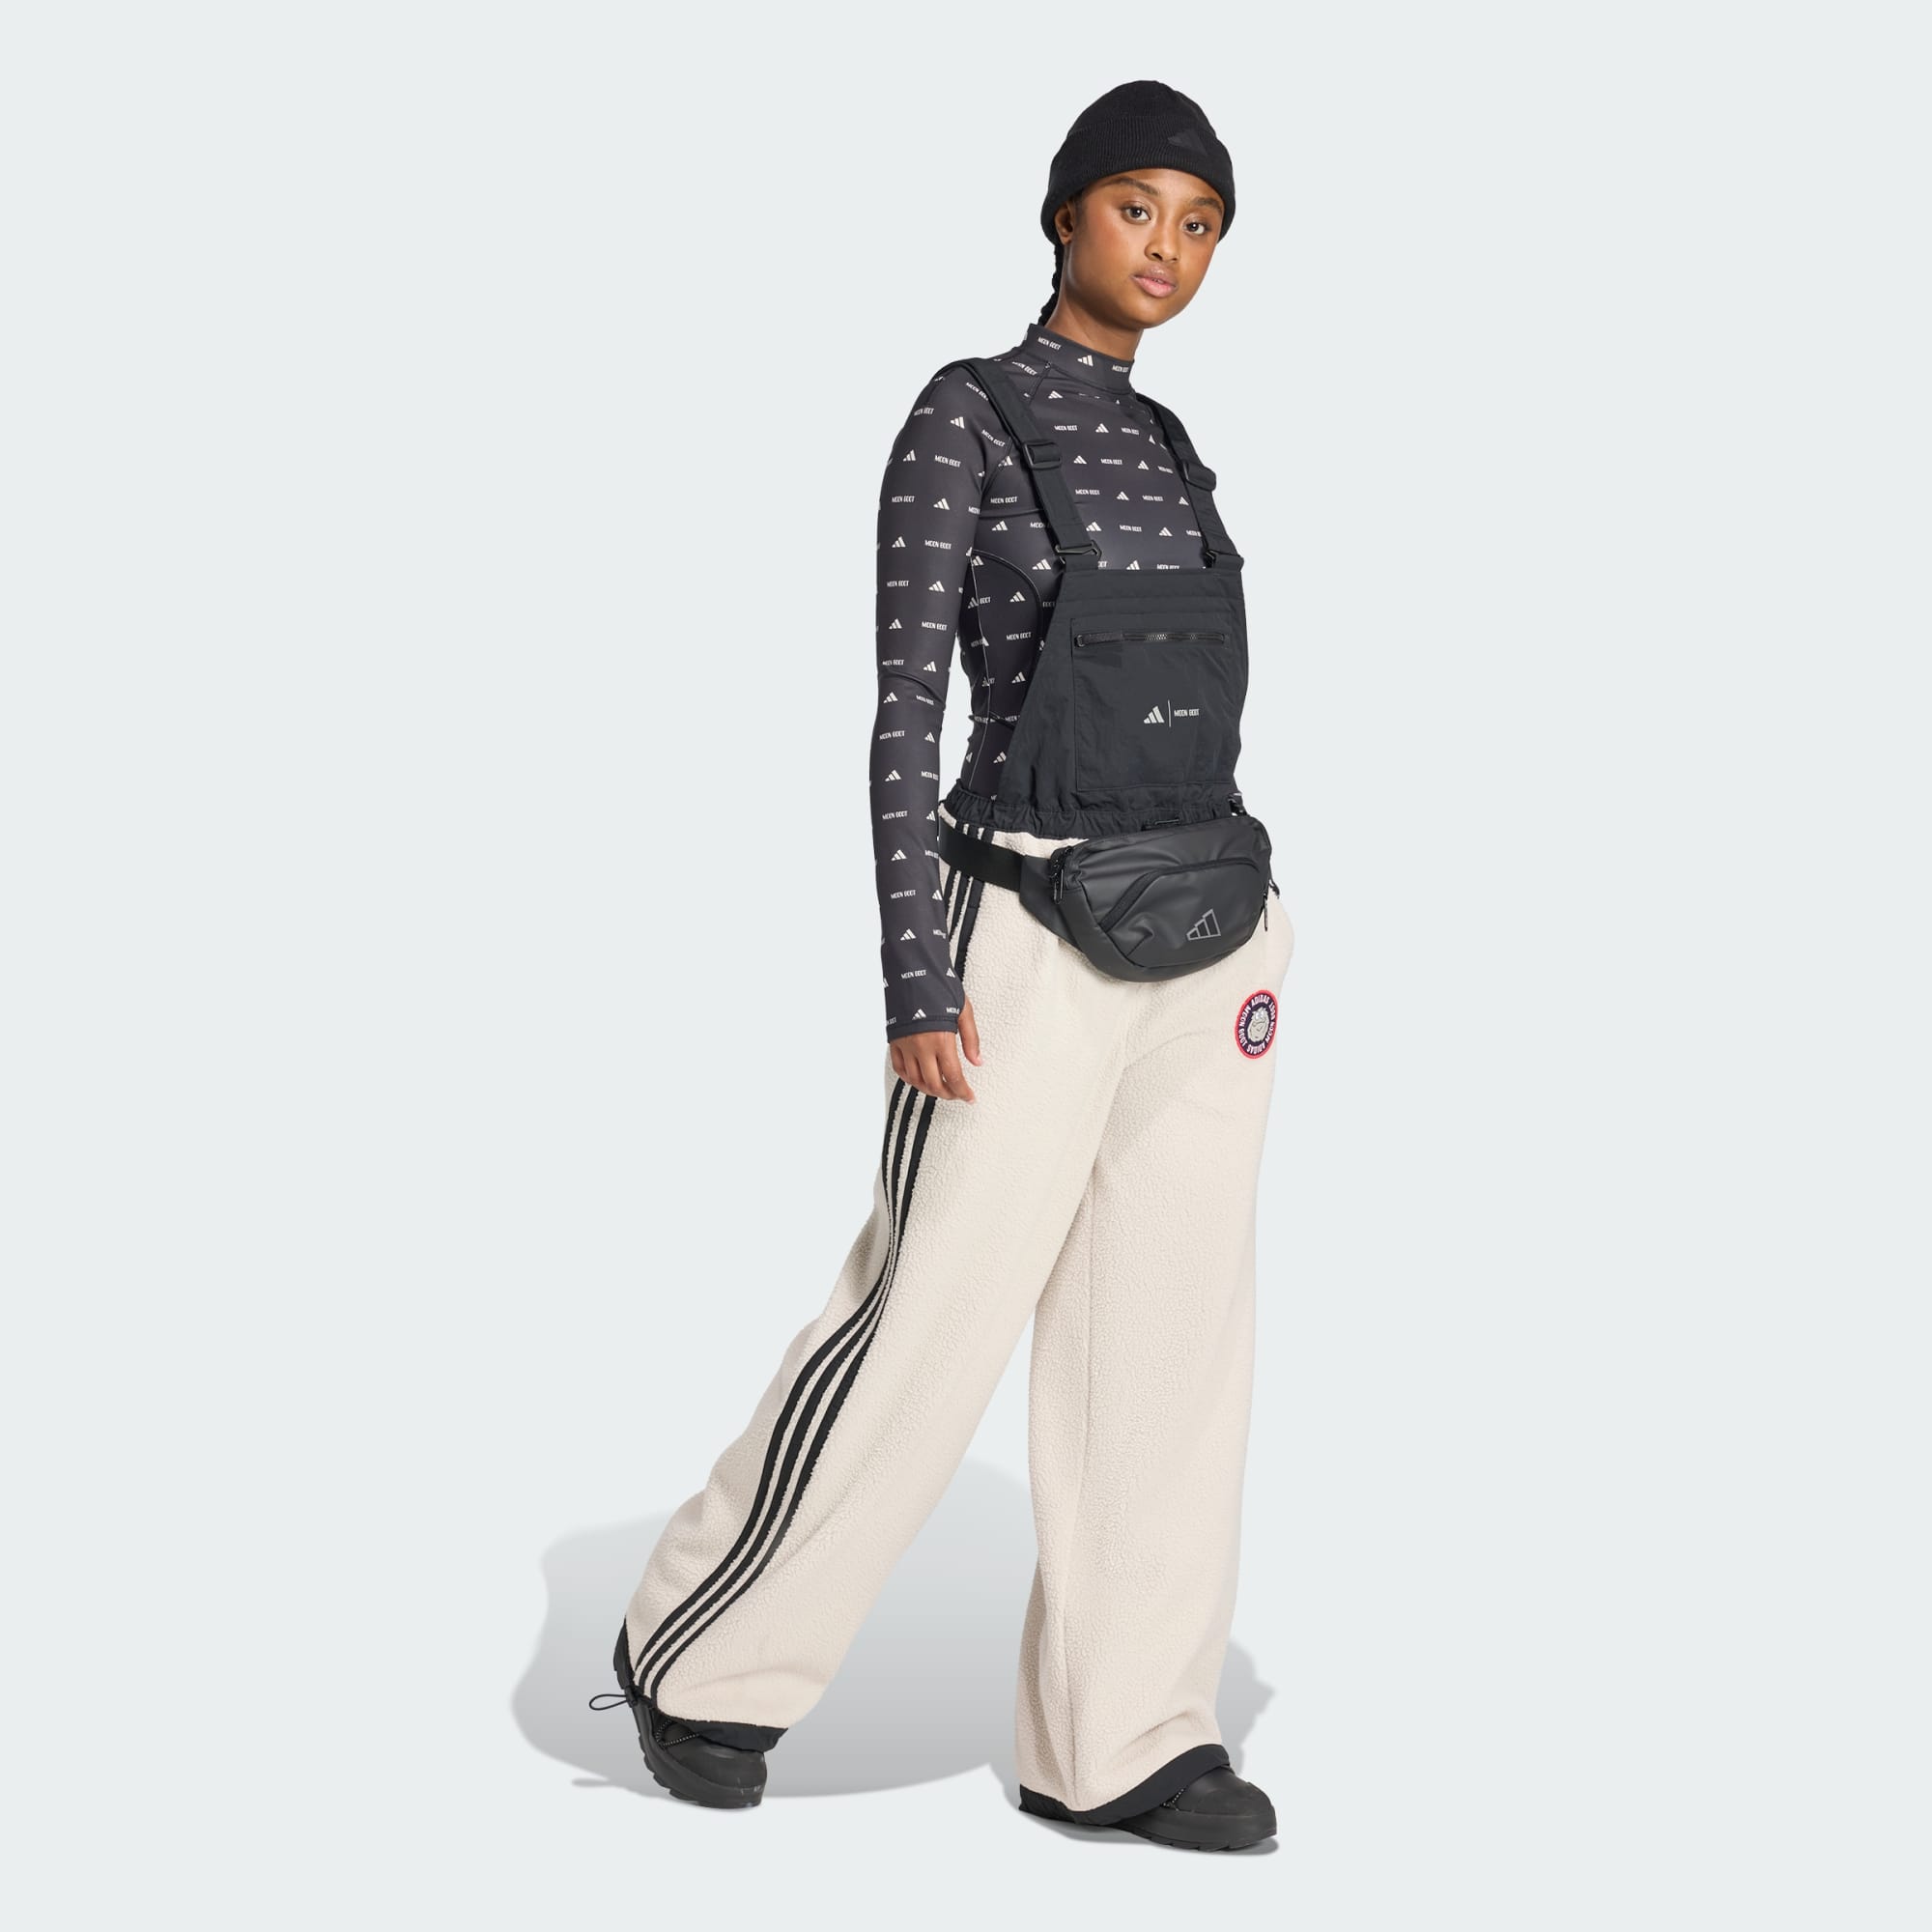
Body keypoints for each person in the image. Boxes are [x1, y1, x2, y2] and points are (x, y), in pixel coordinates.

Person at [600, 80, 1294, 1853]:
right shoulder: (965, 416)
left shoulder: (1173, 444)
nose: (1169, 248)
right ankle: (699, 1658)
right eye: (1138, 208)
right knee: (931, 1316)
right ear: (1066, 216)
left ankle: (1123, 1738)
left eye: (1202, 224)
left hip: (1208, 932)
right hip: (1025, 937)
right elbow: (904, 716)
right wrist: (919, 975)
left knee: (1168, 1348)